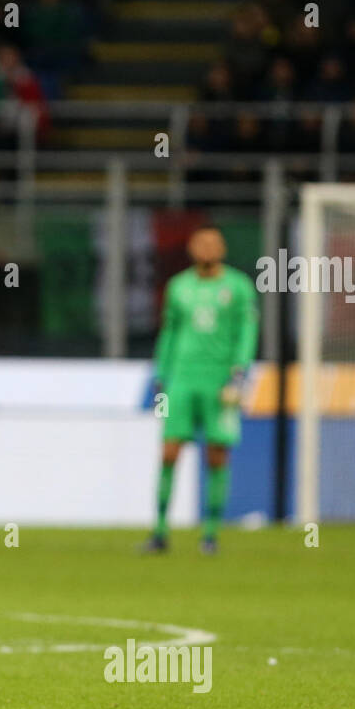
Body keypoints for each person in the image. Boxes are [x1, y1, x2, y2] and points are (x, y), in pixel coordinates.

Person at [144, 227, 258, 554]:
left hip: (220, 381)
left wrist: (239, 371)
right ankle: (160, 531)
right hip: (180, 381)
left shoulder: (238, 287)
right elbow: (169, 331)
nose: (207, 247)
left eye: (213, 242)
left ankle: (210, 535)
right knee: (169, 451)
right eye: (201, 242)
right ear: (192, 249)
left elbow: (246, 332)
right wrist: (161, 375)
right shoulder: (179, 286)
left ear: (222, 248)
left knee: (217, 455)